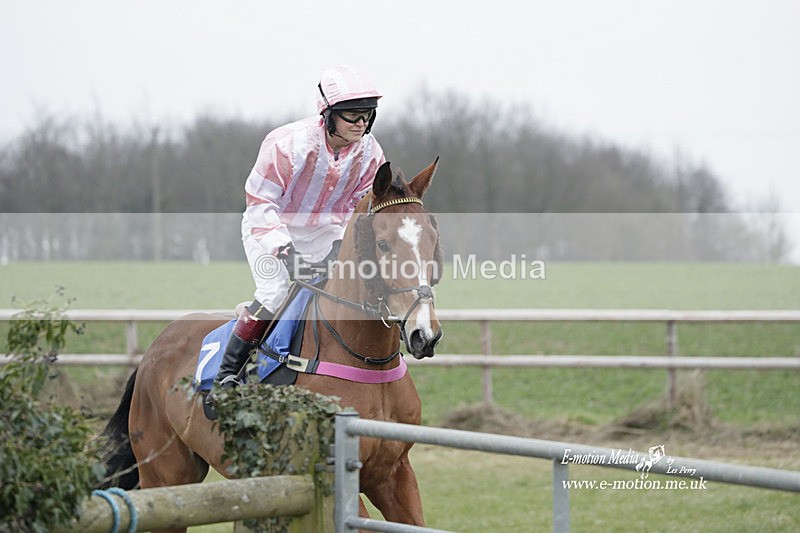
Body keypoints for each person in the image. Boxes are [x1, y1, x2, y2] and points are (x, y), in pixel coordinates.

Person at [209, 65, 386, 397]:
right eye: (352, 116)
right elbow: (260, 202)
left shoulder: (371, 153)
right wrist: (285, 252)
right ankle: (227, 376)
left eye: (367, 115)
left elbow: (358, 207)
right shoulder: (287, 144)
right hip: (271, 226)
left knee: (353, 285)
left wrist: (342, 244)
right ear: (328, 114)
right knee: (275, 292)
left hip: (326, 232)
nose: (361, 123)